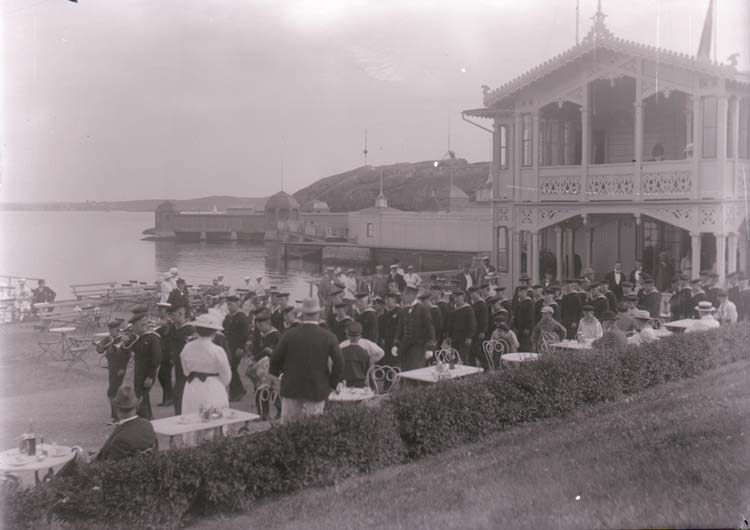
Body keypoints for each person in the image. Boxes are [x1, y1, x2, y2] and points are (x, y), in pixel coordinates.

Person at [270, 298, 344, 422]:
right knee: (312, 429)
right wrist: (332, 383)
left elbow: (275, 359)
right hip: (317, 388)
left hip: (291, 388)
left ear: (302, 314)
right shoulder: (329, 336)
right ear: (318, 314)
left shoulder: (289, 334)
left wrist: (279, 377)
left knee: (289, 428)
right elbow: (340, 363)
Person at [68, 387, 157, 469]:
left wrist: (86, 462)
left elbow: (110, 470)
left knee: (72, 462)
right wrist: (94, 455)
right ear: (136, 407)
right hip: (139, 472)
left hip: (110, 477)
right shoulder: (147, 425)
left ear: (116, 409)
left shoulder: (121, 440)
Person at [180, 313, 232, 414]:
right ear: (214, 332)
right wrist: (221, 383)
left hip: (192, 386)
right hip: (212, 387)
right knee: (213, 418)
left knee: (192, 416)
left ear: (196, 330)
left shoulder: (187, 347)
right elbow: (226, 376)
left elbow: (185, 371)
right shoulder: (217, 350)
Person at [125, 310, 162, 420]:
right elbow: (132, 351)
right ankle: (148, 419)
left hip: (147, 373)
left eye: (134, 327)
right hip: (139, 372)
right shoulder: (139, 338)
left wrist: (150, 376)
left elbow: (157, 358)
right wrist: (126, 342)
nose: (133, 329)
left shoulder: (152, 337)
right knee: (141, 395)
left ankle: (145, 420)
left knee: (141, 396)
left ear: (140, 325)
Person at [393, 285, 436, 371]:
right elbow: (399, 329)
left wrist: (430, 348)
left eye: (404, 295)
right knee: (404, 370)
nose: (402, 297)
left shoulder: (423, 309)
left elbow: (430, 329)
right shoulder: (404, 311)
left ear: (412, 295)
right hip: (405, 347)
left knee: (415, 371)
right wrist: (395, 345)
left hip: (418, 347)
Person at [96, 320, 130, 423]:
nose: (111, 332)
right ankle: (116, 415)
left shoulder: (122, 340)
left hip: (119, 369)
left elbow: (126, 356)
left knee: (112, 391)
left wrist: (122, 368)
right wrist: (101, 345)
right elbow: (100, 351)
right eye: (110, 330)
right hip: (111, 368)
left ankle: (117, 416)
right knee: (114, 391)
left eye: (113, 330)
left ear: (118, 330)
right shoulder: (108, 339)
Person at [223, 295, 250, 402]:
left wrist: (241, 347)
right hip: (229, 347)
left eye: (231, 304)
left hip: (237, 347)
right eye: (228, 304)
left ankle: (237, 392)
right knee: (231, 368)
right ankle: (238, 391)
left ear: (237, 304)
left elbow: (246, 334)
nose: (229, 307)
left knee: (231, 368)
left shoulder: (242, 317)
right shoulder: (228, 317)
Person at [168, 304, 194, 415]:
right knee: (178, 392)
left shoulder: (190, 330)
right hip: (178, 365)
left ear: (181, 314)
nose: (171, 318)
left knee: (182, 392)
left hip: (188, 366)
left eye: (173, 315)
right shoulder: (173, 328)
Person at [446, 290, 475, 363]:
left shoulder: (468, 309)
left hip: (464, 337)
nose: (455, 300)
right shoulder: (454, 309)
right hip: (455, 337)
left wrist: (469, 337)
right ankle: (454, 372)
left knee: (463, 357)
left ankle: (466, 373)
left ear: (462, 297)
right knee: (453, 356)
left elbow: (472, 324)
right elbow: (450, 324)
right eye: (454, 298)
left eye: (457, 297)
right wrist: (449, 336)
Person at [377, 293, 401, 366]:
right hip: (386, 343)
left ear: (394, 300)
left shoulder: (400, 312)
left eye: (388, 300)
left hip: (396, 343)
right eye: (386, 300)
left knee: (395, 364)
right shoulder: (386, 314)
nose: (386, 302)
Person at [468, 287, 489, 368]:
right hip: (474, 330)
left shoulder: (482, 304)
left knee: (475, 349)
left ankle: (486, 365)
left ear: (477, 293)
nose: (471, 296)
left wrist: (483, 331)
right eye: (470, 294)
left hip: (479, 331)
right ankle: (472, 367)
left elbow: (485, 319)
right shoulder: (474, 304)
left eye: (473, 293)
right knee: (471, 350)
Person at [513, 287, 535, 351]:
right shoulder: (521, 302)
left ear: (526, 293)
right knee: (520, 344)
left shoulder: (529, 302)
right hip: (520, 327)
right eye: (519, 292)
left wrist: (527, 328)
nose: (520, 294)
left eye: (522, 292)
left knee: (525, 345)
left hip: (526, 328)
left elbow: (530, 316)